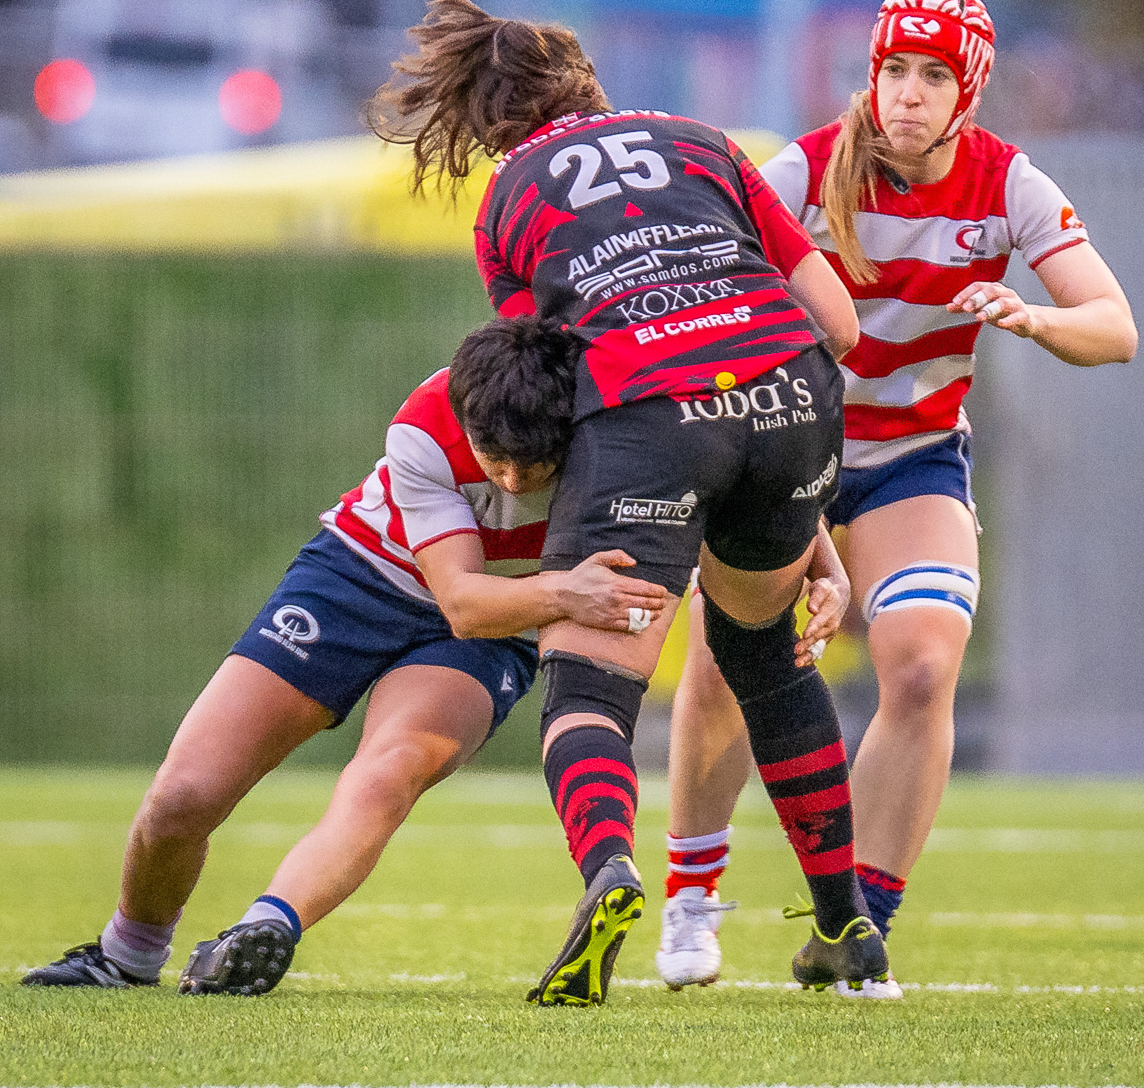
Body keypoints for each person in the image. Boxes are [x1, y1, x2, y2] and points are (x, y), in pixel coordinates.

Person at [368, 0, 882, 1008]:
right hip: (791, 390)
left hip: (648, 410)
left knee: (588, 679)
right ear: (588, 82)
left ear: (491, 122)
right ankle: (844, 924)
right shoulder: (706, 142)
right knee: (763, 659)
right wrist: (788, 488)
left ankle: (608, 869)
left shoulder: (507, 200)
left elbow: (541, 385)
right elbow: (838, 322)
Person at [656, 0, 1138, 998]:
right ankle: (690, 899)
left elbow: (1113, 326)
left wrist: (1031, 317)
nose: (905, 94)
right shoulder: (803, 170)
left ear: (968, 93)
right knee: (725, 660)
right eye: (891, 71)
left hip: (908, 457)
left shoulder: (1008, 187)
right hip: (785, 450)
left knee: (920, 666)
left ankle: (854, 928)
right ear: (866, 77)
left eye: (931, 75)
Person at [23, 318, 667, 996]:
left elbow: (483, 619)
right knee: (184, 799)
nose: (510, 482)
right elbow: (461, 598)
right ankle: (127, 955)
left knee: (392, 768)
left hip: (499, 625)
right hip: (361, 579)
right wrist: (565, 590)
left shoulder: (616, 433)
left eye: (533, 466)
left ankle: (265, 928)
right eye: (493, 457)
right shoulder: (426, 422)